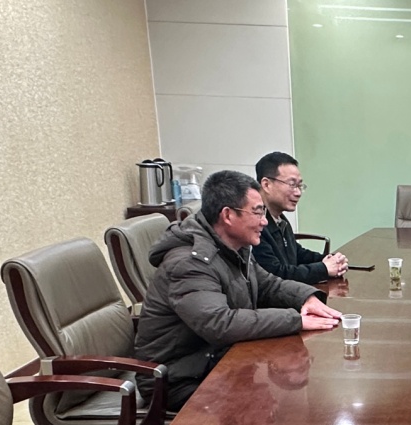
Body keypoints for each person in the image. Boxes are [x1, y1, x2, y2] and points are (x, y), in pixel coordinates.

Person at [134, 170, 342, 410]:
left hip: (213, 361)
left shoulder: (233, 245)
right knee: (273, 406)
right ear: (228, 215)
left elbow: (267, 284)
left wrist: (306, 298)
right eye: (257, 212)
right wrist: (296, 320)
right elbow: (220, 324)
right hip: (175, 381)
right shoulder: (190, 262)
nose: (264, 221)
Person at [253, 151, 347, 284]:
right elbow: (276, 274)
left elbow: (296, 253)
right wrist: (323, 269)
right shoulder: (255, 224)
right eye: (292, 185)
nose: (298, 193)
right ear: (266, 184)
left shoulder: (280, 220)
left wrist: (330, 259)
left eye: (300, 186)